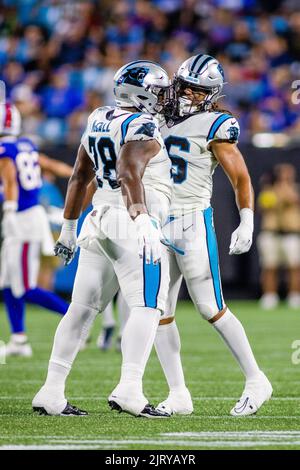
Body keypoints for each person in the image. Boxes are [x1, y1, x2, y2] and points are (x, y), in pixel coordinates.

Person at [32, 61, 173, 417]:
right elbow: (128, 172)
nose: (162, 97)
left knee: (81, 309)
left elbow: (80, 175)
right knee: (147, 306)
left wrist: (68, 227)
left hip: (97, 219)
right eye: (157, 91)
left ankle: (50, 392)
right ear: (140, 93)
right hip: (130, 222)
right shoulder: (140, 124)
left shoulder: (99, 116)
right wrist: (141, 219)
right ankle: (129, 388)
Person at [154, 54, 272, 417]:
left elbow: (241, 178)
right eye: (185, 86)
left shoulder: (217, 124)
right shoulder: (156, 116)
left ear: (211, 94)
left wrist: (247, 220)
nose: (188, 94)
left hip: (191, 219)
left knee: (209, 306)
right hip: (158, 221)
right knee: (158, 310)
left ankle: (256, 379)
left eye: (198, 89)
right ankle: (178, 393)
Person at [0, 103, 73, 357]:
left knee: (25, 287)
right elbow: (50, 164)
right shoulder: (26, 145)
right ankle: (19, 339)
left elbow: (10, 181)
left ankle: (75, 318)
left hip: (21, 221)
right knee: (8, 284)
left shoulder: (5, 150)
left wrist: (9, 209)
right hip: (27, 219)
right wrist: (76, 173)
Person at [257, 164, 300, 309]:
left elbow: (293, 200)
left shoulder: (295, 189)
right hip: (271, 233)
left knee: (294, 267)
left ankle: (294, 295)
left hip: (291, 233)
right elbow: (264, 206)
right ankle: (269, 295)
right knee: (269, 267)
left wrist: (285, 189)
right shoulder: (268, 191)